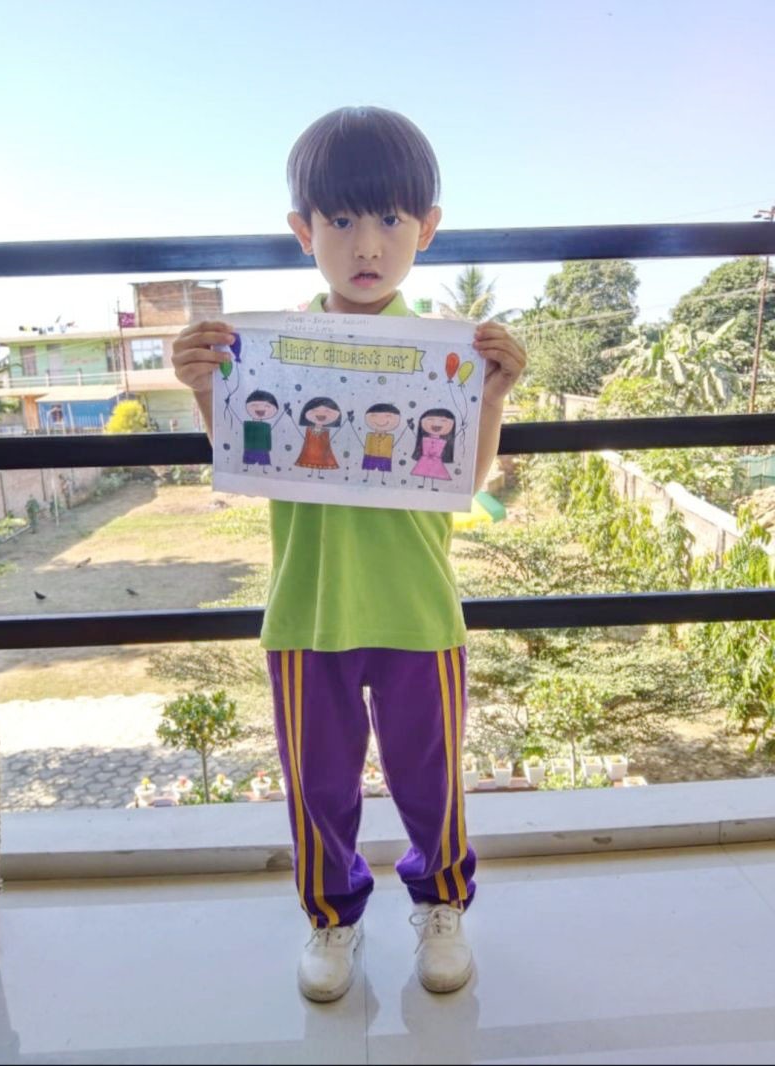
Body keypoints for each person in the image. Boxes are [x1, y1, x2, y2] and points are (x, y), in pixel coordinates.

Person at [172, 106, 526, 1003]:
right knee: (317, 786)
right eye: (340, 219)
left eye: (391, 218)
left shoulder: (449, 352)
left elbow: (466, 480)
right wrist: (204, 389)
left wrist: (492, 395)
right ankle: (332, 918)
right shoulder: (266, 349)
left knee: (431, 780)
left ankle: (441, 905)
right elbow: (248, 457)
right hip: (308, 610)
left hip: (418, 611)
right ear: (304, 231)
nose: (367, 243)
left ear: (426, 228)